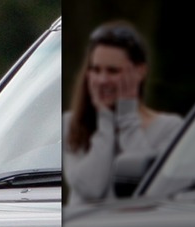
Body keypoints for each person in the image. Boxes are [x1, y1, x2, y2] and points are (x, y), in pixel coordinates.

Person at [63, 20, 183, 206]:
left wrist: (127, 116)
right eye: (96, 69)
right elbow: (91, 187)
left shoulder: (169, 128)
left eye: (113, 71)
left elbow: (146, 185)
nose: (102, 80)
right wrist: (105, 121)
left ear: (140, 72)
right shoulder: (72, 124)